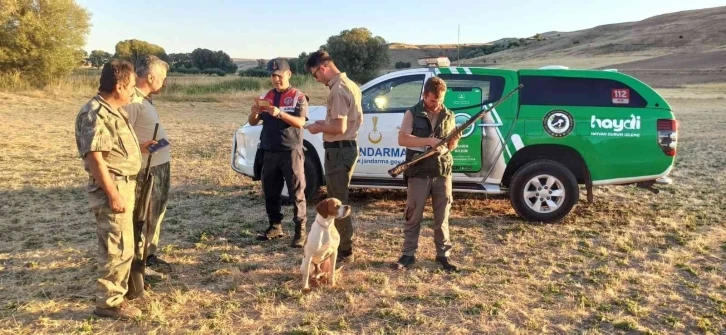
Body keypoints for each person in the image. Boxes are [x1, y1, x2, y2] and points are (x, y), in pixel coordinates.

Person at [74, 59, 155, 320]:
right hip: (114, 186)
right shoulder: (95, 113)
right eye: (131, 85)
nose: (134, 90)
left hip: (123, 184)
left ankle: (117, 294)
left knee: (123, 245)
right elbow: (95, 159)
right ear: (119, 86)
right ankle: (108, 302)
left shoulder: (113, 109)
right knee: (116, 247)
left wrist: (139, 149)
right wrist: (113, 194)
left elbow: (111, 149)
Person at [394, 76, 462, 272]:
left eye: (441, 100)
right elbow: (403, 139)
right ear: (425, 95)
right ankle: (408, 255)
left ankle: (443, 256)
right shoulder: (412, 113)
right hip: (419, 172)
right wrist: (429, 142)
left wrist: (451, 143)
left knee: (442, 217)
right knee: (413, 215)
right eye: (433, 100)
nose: (437, 104)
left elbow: (451, 146)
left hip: (442, 171)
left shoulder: (449, 115)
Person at [304, 50, 363, 265]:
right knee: (339, 197)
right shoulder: (351, 85)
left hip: (338, 150)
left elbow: (339, 126)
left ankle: (344, 251)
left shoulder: (338, 90)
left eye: (314, 75)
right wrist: (323, 125)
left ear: (322, 68)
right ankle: (341, 246)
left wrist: (319, 128)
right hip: (344, 149)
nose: (316, 80)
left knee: (337, 202)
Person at [249, 58, 309, 247]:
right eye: (273, 76)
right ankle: (275, 226)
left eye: (279, 75)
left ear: (288, 74)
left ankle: (300, 231)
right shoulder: (265, 96)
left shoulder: (298, 96)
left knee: (297, 193)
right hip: (269, 151)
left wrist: (280, 113)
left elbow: (301, 123)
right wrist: (254, 113)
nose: (276, 79)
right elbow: (252, 122)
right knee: (271, 192)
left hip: (290, 152)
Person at [124, 55, 173, 278]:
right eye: (162, 77)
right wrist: (140, 147)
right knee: (144, 214)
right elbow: (122, 133)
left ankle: (149, 254)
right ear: (151, 76)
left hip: (158, 165)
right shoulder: (132, 100)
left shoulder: (145, 99)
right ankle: (139, 262)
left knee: (156, 213)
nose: (164, 82)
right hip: (146, 169)